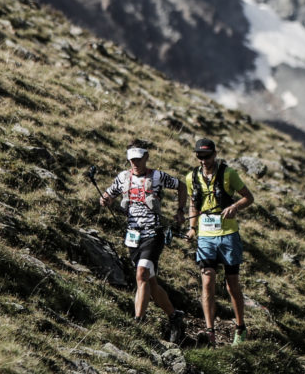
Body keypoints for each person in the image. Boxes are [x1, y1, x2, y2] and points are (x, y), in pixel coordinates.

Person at [100, 140, 187, 343]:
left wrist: (180, 210)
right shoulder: (123, 177)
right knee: (150, 283)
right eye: (132, 160)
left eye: (139, 159)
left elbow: (181, 186)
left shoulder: (157, 176)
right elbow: (108, 194)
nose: (135, 163)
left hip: (153, 234)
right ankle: (175, 317)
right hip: (133, 236)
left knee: (141, 275)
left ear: (146, 157)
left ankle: (138, 324)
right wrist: (104, 200)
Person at [184, 138, 255, 345]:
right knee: (207, 281)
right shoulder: (191, 177)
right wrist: (192, 228)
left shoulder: (228, 173)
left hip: (228, 235)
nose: (203, 160)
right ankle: (210, 330)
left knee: (232, 284)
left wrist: (235, 207)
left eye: (207, 156)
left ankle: (240, 327)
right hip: (206, 236)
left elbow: (248, 197)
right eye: (200, 156)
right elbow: (193, 203)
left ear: (215, 154)